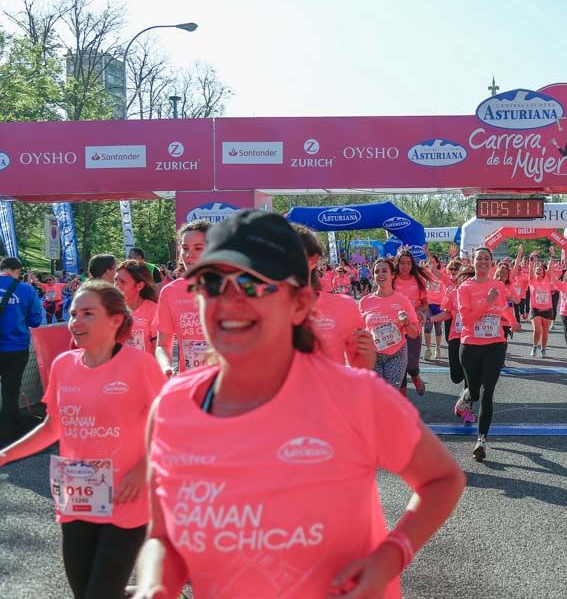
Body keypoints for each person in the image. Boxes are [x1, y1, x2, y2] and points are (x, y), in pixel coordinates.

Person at [129, 210, 465, 599]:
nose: (230, 300)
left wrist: (391, 555)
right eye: (212, 282)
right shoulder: (173, 406)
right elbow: (163, 537)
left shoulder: (354, 396)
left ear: (300, 303)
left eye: (253, 285)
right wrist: (154, 587)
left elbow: (442, 479)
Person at [0, 281, 165, 598]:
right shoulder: (63, 365)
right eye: (73, 314)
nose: (75, 322)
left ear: (116, 319)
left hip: (126, 497)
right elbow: (52, 428)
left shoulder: (139, 365)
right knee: (85, 592)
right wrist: (4, 455)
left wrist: (144, 468)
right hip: (78, 497)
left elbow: (170, 426)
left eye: (88, 313)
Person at [292, 224, 375, 369]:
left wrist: (367, 352)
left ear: (313, 261)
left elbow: (361, 364)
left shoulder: (344, 307)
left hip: (330, 390)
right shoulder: (260, 305)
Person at [457, 247, 509, 461]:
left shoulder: (498, 285)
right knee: (475, 392)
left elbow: (502, 309)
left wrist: (510, 320)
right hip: (470, 346)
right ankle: (467, 395)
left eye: (487, 258)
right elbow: (468, 321)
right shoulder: (465, 287)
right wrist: (487, 302)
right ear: (474, 261)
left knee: (488, 394)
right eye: (479, 258)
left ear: (491, 262)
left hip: (495, 344)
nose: (483, 262)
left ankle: (481, 440)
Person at [155, 220, 210, 377]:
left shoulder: (231, 288)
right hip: (188, 383)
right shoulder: (170, 292)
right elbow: (162, 345)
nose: (189, 255)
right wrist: (166, 367)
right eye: (185, 248)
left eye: (198, 248)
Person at [0, 257, 44, 443]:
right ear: (18, 270)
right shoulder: (25, 289)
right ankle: (6, 435)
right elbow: (35, 320)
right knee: (10, 391)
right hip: (15, 349)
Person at [360, 258, 421, 388]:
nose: (380, 275)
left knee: (390, 392)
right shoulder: (365, 302)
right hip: (373, 355)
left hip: (396, 354)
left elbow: (414, 333)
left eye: (384, 271)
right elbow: (358, 329)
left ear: (392, 275)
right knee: (377, 392)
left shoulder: (403, 301)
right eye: (377, 272)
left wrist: (406, 323)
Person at [428, 264, 476, 424]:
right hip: (456, 337)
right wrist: (429, 319)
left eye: (471, 276)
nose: (467, 279)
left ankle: (467, 408)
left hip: (474, 339)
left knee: (472, 379)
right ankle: (466, 394)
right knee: (456, 376)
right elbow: (447, 313)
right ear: (459, 279)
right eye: (464, 276)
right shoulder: (453, 293)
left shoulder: (480, 294)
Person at [394, 250, 429, 395]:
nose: (405, 266)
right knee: (399, 367)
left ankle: (415, 376)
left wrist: (419, 311)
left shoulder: (418, 280)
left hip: (414, 327)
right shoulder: (392, 279)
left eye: (408, 263)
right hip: (396, 328)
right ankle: (403, 400)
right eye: (402, 263)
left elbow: (425, 304)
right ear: (397, 263)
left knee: (412, 364)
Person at [115, 259, 158, 354]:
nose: (116, 285)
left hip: (145, 368)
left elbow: (159, 349)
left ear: (139, 286)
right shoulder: (110, 310)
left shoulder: (154, 310)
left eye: (122, 282)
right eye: (115, 280)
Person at [527, 253, 557, 358]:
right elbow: (530, 268)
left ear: (544, 272)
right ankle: (535, 346)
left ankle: (543, 349)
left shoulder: (547, 279)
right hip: (535, 309)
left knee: (545, 332)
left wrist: (552, 255)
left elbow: (551, 266)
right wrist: (531, 259)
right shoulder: (532, 280)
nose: (538, 270)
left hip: (547, 309)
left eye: (540, 269)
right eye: (537, 269)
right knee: (538, 330)